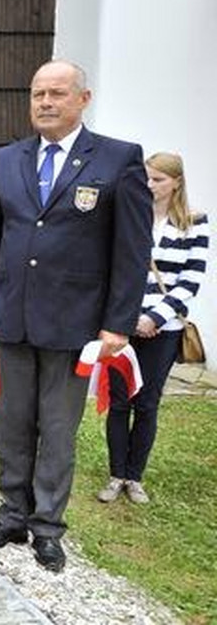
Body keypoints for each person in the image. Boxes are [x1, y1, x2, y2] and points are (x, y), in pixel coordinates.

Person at [0, 60, 153, 572]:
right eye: (37, 94)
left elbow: (132, 251)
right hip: (12, 318)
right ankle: (12, 515)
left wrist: (118, 323)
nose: (45, 103)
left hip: (75, 324)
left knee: (56, 428)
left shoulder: (118, 160)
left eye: (56, 93)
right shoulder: (8, 159)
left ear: (83, 99)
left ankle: (47, 526)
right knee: (13, 424)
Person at [98, 152, 209, 505]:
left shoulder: (194, 223)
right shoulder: (133, 217)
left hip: (166, 328)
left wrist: (155, 317)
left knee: (147, 402)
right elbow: (116, 268)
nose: (150, 185)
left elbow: (189, 280)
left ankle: (135, 476)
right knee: (119, 400)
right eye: (147, 178)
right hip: (125, 323)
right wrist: (129, 317)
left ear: (176, 182)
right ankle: (116, 474)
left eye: (158, 179)